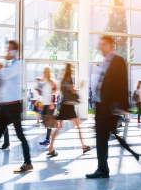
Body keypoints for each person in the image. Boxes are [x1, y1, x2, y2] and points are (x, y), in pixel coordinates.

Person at [86, 35, 129, 179]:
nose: (100, 47)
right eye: (100, 44)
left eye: (103, 44)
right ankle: (103, 168)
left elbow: (123, 83)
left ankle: (103, 168)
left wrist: (123, 105)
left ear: (110, 45)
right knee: (102, 138)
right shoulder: (104, 62)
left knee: (104, 137)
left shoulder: (118, 61)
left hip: (110, 108)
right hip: (101, 107)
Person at [0, 40, 32, 172]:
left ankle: (28, 163)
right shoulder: (9, 65)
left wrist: (0, 69)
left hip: (14, 106)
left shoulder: (19, 64)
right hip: (6, 106)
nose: (7, 51)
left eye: (9, 49)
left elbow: (5, 75)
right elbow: (4, 85)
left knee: (20, 135)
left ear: (14, 51)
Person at [47, 63, 92, 157]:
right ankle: (83, 146)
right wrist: (81, 86)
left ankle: (51, 147)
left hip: (63, 105)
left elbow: (63, 92)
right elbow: (73, 91)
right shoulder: (70, 78)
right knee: (78, 127)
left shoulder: (63, 80)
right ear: (70, 70)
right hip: (69, 106)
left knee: (59, 127)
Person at [39, 67, 57, 146]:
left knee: (48, 121)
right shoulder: (45, 82)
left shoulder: (52, 82)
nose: (44, 73)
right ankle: (48, 138)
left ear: (48, 72)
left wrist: (52, 103)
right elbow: (40, 91)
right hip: (45, 103)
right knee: (45, 120)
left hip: (50, 104)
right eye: (43, 71)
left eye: (45, 71)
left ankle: (47, 139)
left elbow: (55, 92)